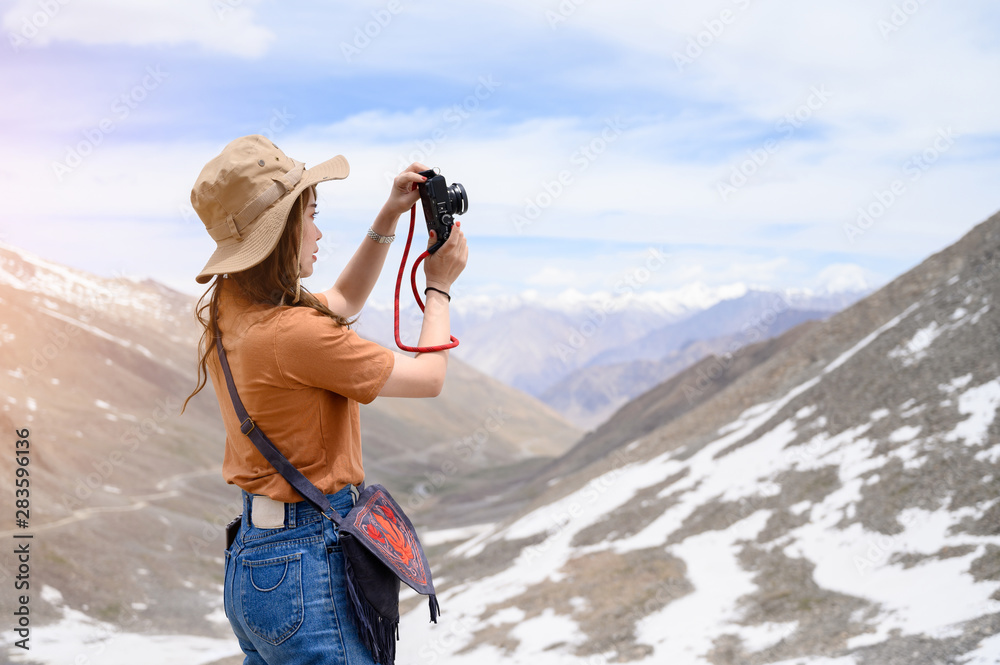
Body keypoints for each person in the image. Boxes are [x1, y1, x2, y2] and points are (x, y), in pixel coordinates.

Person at [182, 134, 468, 664]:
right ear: (281, 230)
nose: (318, 231)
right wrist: (440, 286)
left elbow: (342, 300)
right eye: (309, 215)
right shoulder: (292, 334)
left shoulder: (237, 307)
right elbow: (430, 377)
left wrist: (388, 217)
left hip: (255, 561)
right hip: (309, 561)